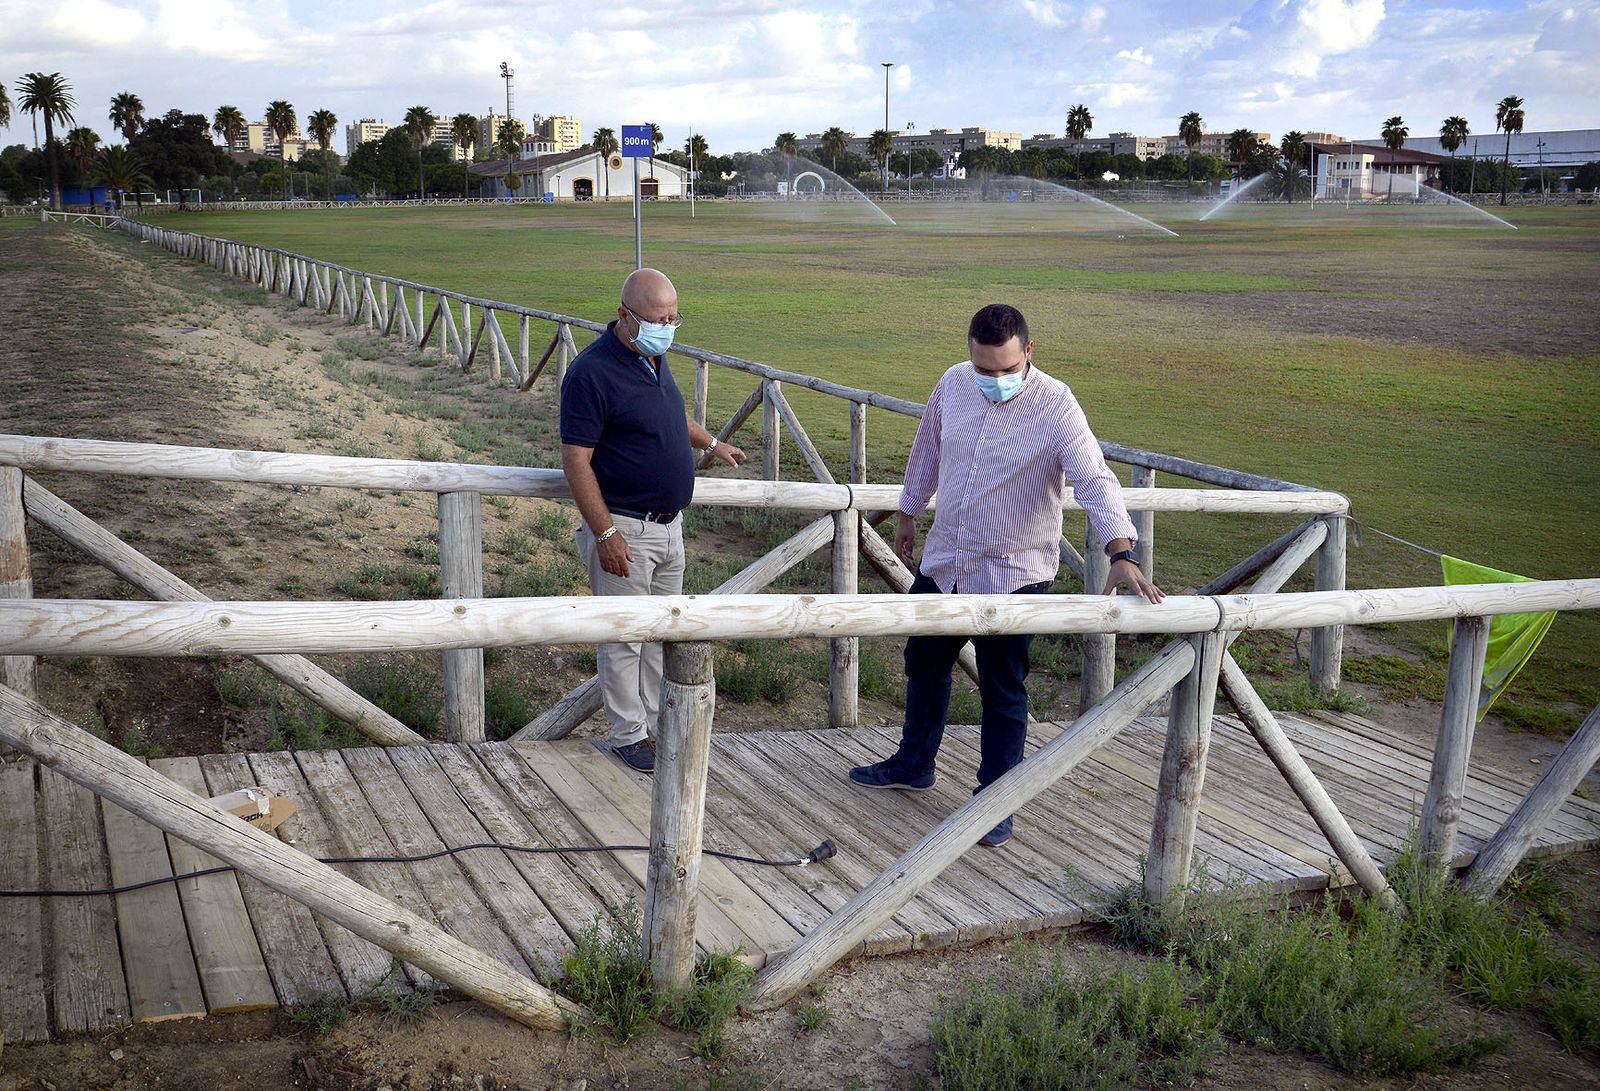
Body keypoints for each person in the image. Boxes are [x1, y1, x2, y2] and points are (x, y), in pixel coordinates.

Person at [849, 303, 1164, 846]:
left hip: (1013, 573)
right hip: (946, 561)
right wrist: (907, 514)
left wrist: (1121, 551)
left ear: (1029, 353)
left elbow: (1093, 477)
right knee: (923, 663)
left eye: (1005, 369)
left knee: (1002, 687)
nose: (993, 380)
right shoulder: (952, 383)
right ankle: (913, 765)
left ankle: (997, 801)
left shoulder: (1057, 404)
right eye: (983, 369)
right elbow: (927, 450)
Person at [560, 268, 747, 772]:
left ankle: (654, 729)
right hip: (626, 529)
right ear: (625, 316)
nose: (668, 328)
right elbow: (576, 461)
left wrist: (710, 443)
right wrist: (605, 533)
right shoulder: (591, 373)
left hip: (669, 528)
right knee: (624, 639)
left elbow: (668, 417)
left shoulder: (653, 357)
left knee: (662, 636)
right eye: (659, 319)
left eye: (673, 319)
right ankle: (628, 735)